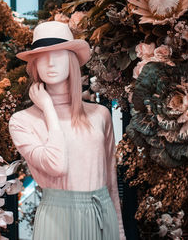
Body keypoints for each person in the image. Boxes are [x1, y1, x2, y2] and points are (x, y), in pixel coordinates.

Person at [8, 21, 126, 240]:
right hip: (57, 218)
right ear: (35, 65)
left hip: (102, 213)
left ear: (71, 60)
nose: (51, 63)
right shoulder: (22, 121)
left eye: (59, 55)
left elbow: (110, 180)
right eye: (42, 56)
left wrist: (119, 231)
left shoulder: (100, 115)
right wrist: (48, 109)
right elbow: (57, 164)